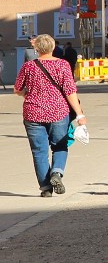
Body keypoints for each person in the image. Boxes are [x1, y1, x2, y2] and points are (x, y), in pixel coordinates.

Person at [16, 34, 81, 198]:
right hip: (58, 112)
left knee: (39, 151)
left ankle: (45, 188)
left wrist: (28, 94)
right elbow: (70, 91)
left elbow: (17, 89)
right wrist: (79, 114)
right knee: (60, 146)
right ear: (53, 47)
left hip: (33, 113)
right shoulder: (63, 65)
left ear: (36, 49)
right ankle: (57, 173)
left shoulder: (29, 66)